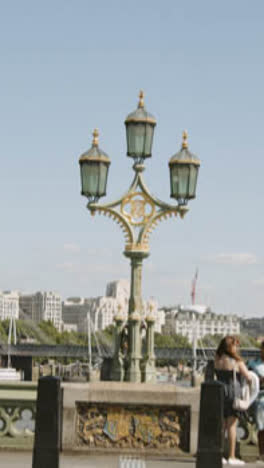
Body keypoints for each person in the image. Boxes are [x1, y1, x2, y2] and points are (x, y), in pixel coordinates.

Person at [215, 335, 252, 466]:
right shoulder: (236, 361)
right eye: (236, 345)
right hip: (232, 393)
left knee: (221, 426)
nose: (237, 348)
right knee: (231, 426)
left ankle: (218, 455)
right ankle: (231, 456)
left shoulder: (217, 359)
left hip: (219, 393)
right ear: (231, 347)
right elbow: (248, 377)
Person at [248, 341, 264, 465]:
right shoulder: (253, 363)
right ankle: (262, 455)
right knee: (261, 429)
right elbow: (246, 378)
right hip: (259, 400)